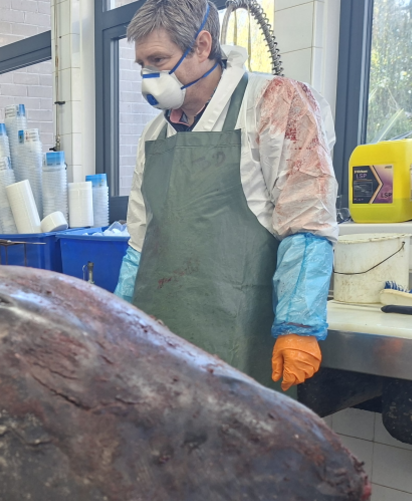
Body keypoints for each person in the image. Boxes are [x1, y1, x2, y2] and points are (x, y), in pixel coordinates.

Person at [114, 0, 337, 396]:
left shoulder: (273, 104)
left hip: (240, 344)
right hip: (162, 348)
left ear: (202, 45)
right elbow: (139, 245)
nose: (149, 77)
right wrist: (118, 323)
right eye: (142, 64)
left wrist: (299, 325)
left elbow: (306, 223)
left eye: (158, 60)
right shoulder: (154, 135)